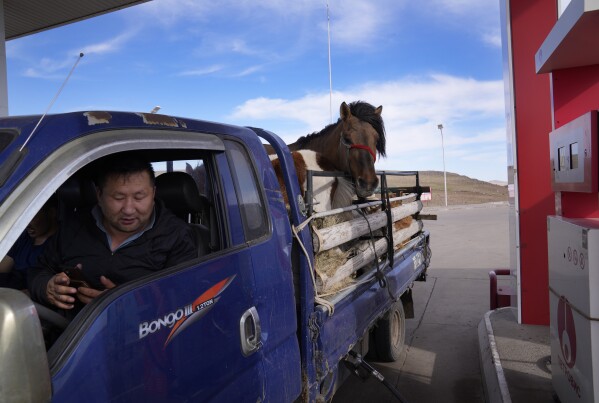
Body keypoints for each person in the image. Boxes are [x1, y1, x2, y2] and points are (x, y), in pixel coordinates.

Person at [28, 156, 197, 314]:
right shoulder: (75, 225)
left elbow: (184, 302)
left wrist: (127, 303)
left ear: (153, 193)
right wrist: (46, 287)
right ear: (99, 195)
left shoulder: (176, 236)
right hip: (69, 335)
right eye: (118, 197)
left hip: (141, 337)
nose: (129, 209)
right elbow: (38, 270)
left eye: (139, 197)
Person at [0, 196, 58, 290]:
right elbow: (3, 269)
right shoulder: (23, 237)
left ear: (52, 213)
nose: (26, 224)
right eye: (24, 216)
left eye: (32, 216)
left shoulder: (59, 245)